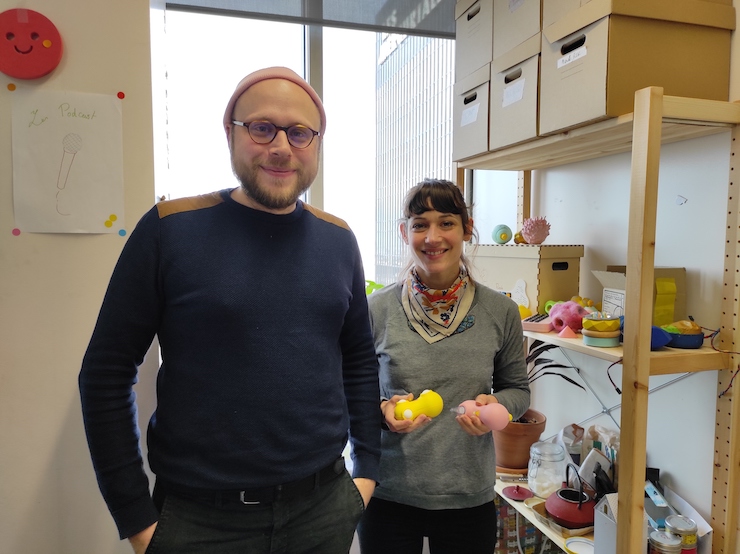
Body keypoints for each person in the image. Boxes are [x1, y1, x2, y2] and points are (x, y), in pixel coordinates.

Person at [79, 66, 380, 554]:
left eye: (300, 132)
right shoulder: (168, 230)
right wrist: (136, 519)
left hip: (323, 512)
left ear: (317, 143)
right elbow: (105, 374)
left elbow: (361, 363)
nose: (281, 146)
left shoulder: (339, 239)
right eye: (262, 127)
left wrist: (366, 472)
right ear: (231, 133)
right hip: (199, 523)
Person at [356, 178, 531, 554]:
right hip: (388, 493)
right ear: (405, 232)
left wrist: (496, 407)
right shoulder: (377, 310)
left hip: (467, 495)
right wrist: (382, 409)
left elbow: (517, 388)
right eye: (420, 224)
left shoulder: (501, 311)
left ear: (467, 228)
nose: (433, 237)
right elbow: (350, 392)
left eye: (446, 222)